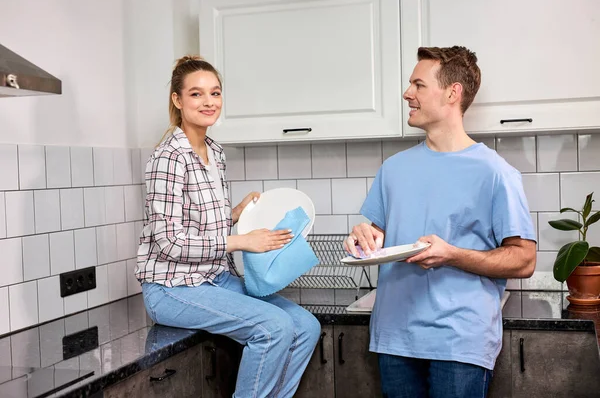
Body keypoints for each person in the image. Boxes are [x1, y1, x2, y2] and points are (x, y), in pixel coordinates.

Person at [344, 46, 537, 398]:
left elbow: (524, 259)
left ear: (452, 93)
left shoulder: (495, 172)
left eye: (418, 85)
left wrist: (451, 254)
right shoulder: (393, 169)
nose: (407, 94)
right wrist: (362, 237)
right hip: (394, 337)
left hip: (459, 342)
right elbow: (377, 237)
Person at [136, 55, 321, 398]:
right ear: (177, 100)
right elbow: (169, 242)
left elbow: (197, 221)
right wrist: (241, 241)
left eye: (215, 93)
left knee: (306, 327)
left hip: (215, 279)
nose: (208, 102)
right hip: (172, 287)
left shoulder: (215, 152)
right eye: (196, 94)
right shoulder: (168, 157)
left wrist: (235, 214)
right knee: (273, 327)